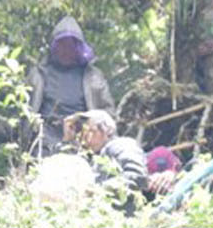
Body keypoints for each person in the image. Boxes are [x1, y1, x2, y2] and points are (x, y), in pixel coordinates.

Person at [24, 17, 114, 155]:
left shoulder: (93, 76)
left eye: (70, 45)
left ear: (78, 48)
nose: (66, 50)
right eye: (62, 45)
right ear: (54, 47)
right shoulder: (38, 74)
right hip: (44, 141)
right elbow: (21, 114)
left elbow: (108, 113)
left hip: (83, 140)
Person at [64, 110, 149, 207]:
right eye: (80, 131)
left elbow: (136, 176)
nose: (84, 136)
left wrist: (99, 192)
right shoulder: (90, 160)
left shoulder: (120, 145)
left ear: (108, 129)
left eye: (90, 130)